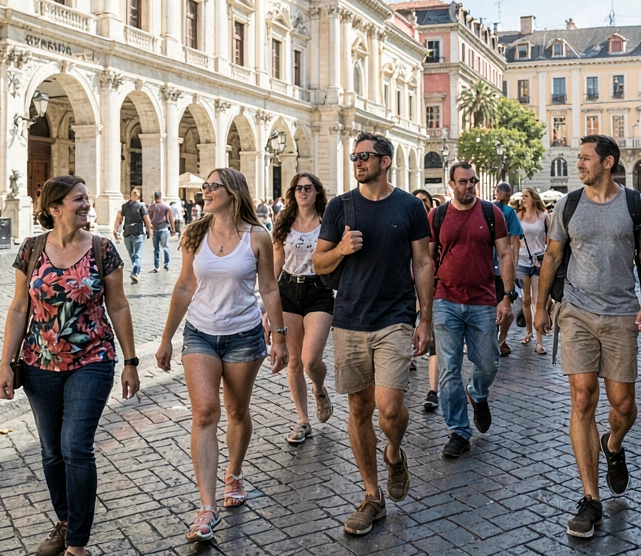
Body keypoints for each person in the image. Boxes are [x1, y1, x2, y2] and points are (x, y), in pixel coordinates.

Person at [0, 175, 140, 556]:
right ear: (55, 208)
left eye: (86, 198)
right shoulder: (31, 249)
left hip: (92, 358)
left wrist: (130, 361)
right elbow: (19, 308)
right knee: (51, 451)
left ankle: (76, 543)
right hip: (39, 363)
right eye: (78, 199)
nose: (87, 204)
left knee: (75, 445)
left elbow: (118, 305)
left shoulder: (103, 249)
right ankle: (65, 521)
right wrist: (6, 364)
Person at [537, 135, 641, 539]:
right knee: (582, 397)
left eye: (586, 158)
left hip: (622, 312)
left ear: (608, 163)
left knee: (623, 405)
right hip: (575, 311)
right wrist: (540, 307)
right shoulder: (568, 204)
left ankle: (613, 444)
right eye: (578, 158)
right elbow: (552, 255)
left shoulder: (636, 204)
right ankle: (590, 499)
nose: (579, 164)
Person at [155, 168, 287, 542]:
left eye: (214, 186)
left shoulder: (257, 236)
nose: (206, 191)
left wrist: (279, 338)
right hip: (200, 334)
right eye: (206, 186)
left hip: (244, 335)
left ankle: (234, 473)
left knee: (237, 412)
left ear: (233, 192)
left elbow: (269, 288)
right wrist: (166, 338)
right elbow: (185, 286)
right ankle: (207, 507)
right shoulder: (195, 234)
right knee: (205, 413)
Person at [313, 133, 435, 536]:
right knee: (359, 409)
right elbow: (318, 263)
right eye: (354, 156)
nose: (357, 162)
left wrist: (425, 319)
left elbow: (423, 262)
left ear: (385, 161)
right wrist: (341, 250)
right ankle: (371, 496)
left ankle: (394, 452)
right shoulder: (340, 206)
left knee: (390, 407)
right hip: (349, 319)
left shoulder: (410, 206)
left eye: (365, 156)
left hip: (395, 318)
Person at [428, 162, 515, 458]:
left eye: (473, 181)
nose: (469, 186)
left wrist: (507, 296)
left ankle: (477, 392)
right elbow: (427, 260)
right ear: (451, 184)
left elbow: (505, 253)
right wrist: (425, 303)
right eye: (463, 181)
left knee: (489, 363)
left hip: (483, 300)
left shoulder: (491, 213)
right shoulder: (437, 215)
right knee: (449, 369)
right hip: (445, 300)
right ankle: (459, 432)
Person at [272, 173, 335, 445]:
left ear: (316, 191)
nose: (303, 192)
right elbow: (276, 265)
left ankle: (319, 388)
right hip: (288, 290)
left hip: (319, 290)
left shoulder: (326, 221)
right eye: (298, 188)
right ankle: (303, 420)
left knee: (311, 360)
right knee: (295, 361)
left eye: (308, 188)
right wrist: (267, 306)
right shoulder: (284, 222)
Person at [410, 189, 441, 410]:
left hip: (435, 287)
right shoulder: (406, 225)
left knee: (433, 338)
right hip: (406, 287)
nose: (421, 204)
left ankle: (433, 390)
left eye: (424, 201)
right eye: (417, 201)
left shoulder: (436, 225)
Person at [516, 188, 551, 356]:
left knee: (538, 301)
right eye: (522, 196)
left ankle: (539, 341)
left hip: (539, 262)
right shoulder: (518, 216)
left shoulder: (544, 216)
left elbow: (551, 238)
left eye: (526, 196)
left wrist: (546, 254)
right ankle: (528, 332)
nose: (523, 199)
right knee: (526, 300)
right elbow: (514, 240)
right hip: (522, 261)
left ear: (533, 198)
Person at [492, 182, 525, 356]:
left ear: (497, 192)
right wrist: (514, 265)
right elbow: (514, 242)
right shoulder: (509, 213)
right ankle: (500, 341)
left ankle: (494, 341)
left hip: (488, 268)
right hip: (500, 270)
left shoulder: (487, 209)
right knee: (506, 308)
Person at [112, 189, 152, 285]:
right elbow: (146, 219)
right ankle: (136, 272)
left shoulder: (131, 206)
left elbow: (119, 218)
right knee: (134, 256)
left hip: (133, 233)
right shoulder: (133, 206)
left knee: (135, 255)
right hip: (133, 233)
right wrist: (150, 230)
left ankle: (135, 273)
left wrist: (115, 228)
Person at [147, 192, 175, 274]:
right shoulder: (166, 206)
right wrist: (173, 229)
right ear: (161, 197)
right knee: (165, 247)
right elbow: (171, 218)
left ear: (154, 197)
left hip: (155, 229)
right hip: (164, 228)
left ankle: (157, 266)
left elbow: (148, 219)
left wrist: (148, 229)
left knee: (156, 249)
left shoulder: (151, 207)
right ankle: (166, 264)